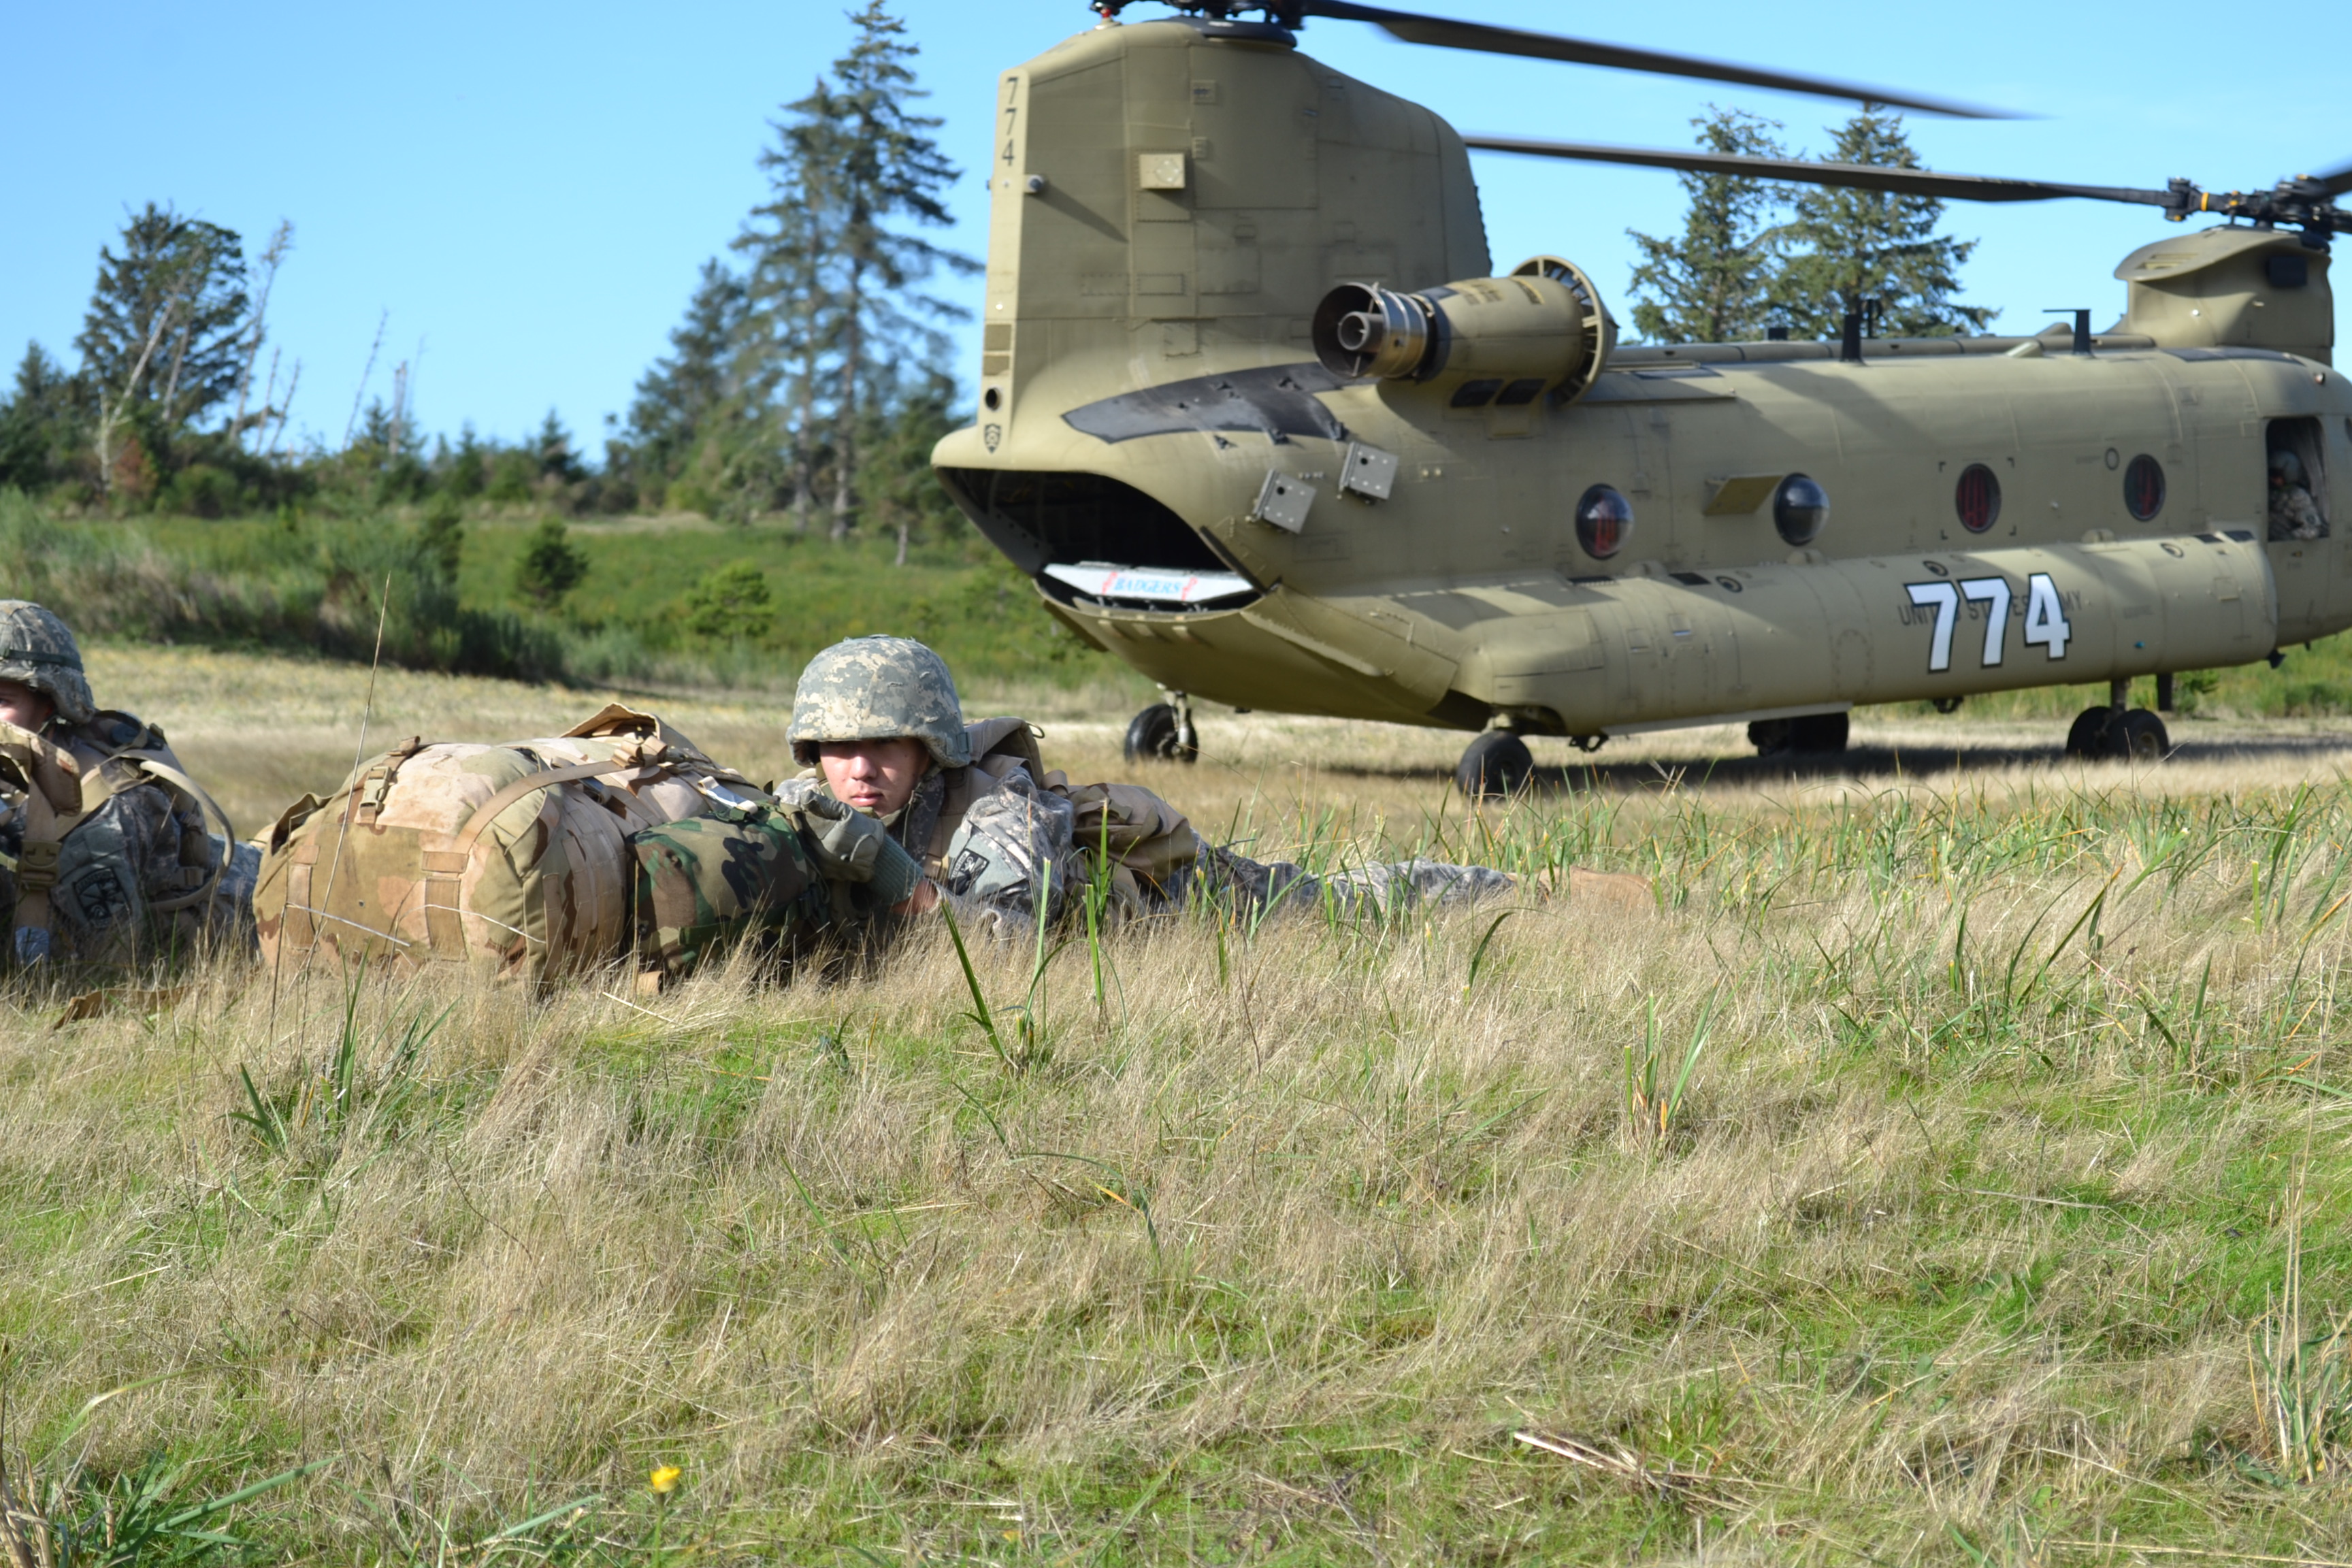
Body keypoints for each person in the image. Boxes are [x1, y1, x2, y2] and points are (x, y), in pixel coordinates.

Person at [773, 635, 1514, 939]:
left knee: (1343, 906)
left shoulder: (999, 808)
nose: (859, 769)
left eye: (882, 745)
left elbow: (1008, 957)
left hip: (1186, 902)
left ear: (930, 748)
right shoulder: (815, 806)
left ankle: (1507, 890)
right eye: (838, 749)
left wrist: (892, 873)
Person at [0, 600, 257, 967]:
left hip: (254, 919)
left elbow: (113, 965)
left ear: (50, 704)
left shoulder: (95, 818)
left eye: (1, 700)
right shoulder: (26, 768)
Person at [2270, 448, 2326, 541]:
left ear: (2288, 473)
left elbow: (2312, 530)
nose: (2272, 479)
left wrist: (2289, 538)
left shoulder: (2298, 497)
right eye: (2270, 474)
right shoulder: (2271, 493)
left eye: (2276, 475)